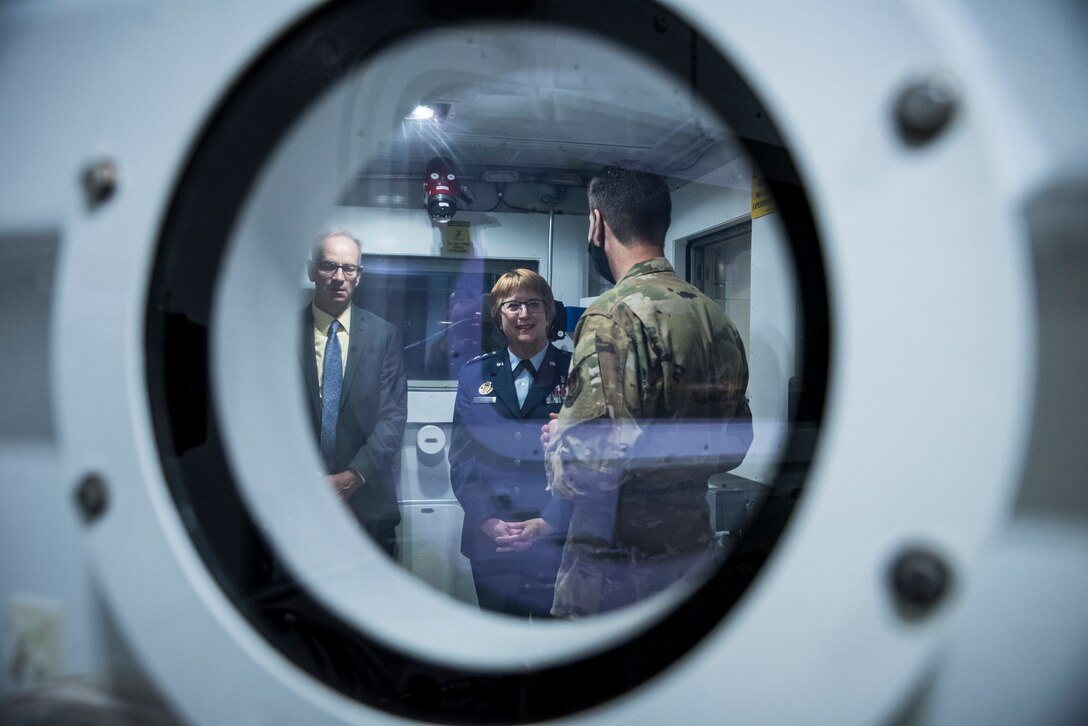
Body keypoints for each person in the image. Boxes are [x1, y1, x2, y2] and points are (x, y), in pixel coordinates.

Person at [543, 167, 753, 617]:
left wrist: (562, 434)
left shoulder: (612, 315)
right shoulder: (715, 317)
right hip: (689, 557)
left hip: (616, 571)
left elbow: (584, 470)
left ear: (597, 224)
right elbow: (736, 445)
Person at [448, 269, 573, 617]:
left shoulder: (576, 371)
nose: (523, 315)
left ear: (549, 313)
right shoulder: (474, 374)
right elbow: (461, 459)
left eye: (534, 304)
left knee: (555, 652)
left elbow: (589, 461)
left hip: (556, 539)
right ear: (498, 316)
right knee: (501, 651)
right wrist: (487, 520)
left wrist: (548, 522)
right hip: (492, 543)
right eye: (512, 306)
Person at [300, 230, 407, 557]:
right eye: (329, 266)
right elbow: (268, 415)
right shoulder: (281, 333)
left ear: (359, 276)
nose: (338, 277)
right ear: (311, 270)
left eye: (348, 269)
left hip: (369, 504)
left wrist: (351, 477)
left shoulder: (384, 335)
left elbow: (393, 417)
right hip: (299, 502)